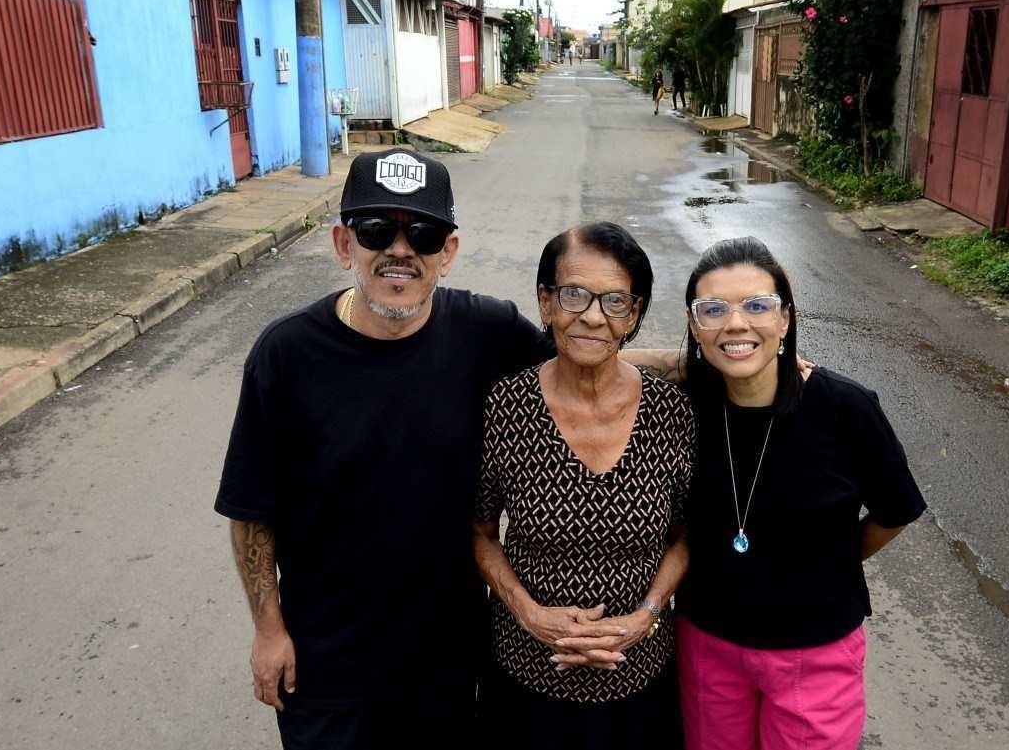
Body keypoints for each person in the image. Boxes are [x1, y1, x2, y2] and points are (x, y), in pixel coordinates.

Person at [215, 149, 678, 749]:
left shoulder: (483, 332)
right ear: (343, 243)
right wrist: (268, 631)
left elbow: (587, 351)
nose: (401, 251)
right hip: (328, 663)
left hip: (448, 660)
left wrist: (721, 362)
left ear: (448, 252)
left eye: (424, 234)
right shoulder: (285, 356)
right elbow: (251, 511)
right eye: (377, 230)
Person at [673, 237, 927, 750]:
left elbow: (895, 510)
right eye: (714, 310)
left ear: (785, 320)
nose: (736, 324)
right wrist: (681, 357)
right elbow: (593, 359)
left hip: (815, 649)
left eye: (757, 306)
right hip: (709, 642)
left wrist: (831, 560)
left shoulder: (845, 408)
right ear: (694, 324)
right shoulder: (686, 402)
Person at [473, 223, 695, 750]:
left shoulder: (672, 413)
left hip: (640, 676)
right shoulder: (507, 407)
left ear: (634, 316)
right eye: (574, 294)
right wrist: (530, 614)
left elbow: (687, 538)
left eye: (615, 301)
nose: (593, 316)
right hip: (526, 675)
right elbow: (480, 532)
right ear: (546, 303)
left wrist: (645, 616)